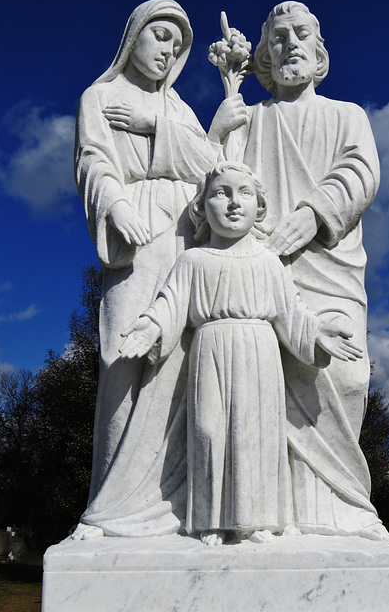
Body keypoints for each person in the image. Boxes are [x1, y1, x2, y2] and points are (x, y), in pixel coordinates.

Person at [119, 161, 363, 546]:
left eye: (244, 193)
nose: (233, 203)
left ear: (259, 206)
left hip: (260, 354)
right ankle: (209, 520)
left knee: (257, 435)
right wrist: (150, 327)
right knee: (209, 432)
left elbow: (292, 312)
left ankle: (259, 519)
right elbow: (169, 304)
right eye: (221, 193)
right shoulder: (192, 260)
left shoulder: (268, 262)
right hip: (210, 351)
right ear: (202, 206)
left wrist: (318, 334)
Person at [216, 1, 389, 539]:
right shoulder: (255, 117)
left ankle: (338, 508)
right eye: (279, 36)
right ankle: (274, 515)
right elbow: (221, 177)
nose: (290, 43)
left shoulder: (346, 115)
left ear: (318, 52)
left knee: (346, 373)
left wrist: (315, 214)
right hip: (266, 272)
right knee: (262, 384)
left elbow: (362, 171)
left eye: (301, 34)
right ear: (265, 53)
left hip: (330, 268)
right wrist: (228, 95)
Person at [73, 0, 221, 538]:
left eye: (177, 44)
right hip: (135, 236)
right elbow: (93, 159)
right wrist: (115, 205)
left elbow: (209, 167)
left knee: (181, 365)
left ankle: (178, 503)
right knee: (121, 358)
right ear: (133, 36)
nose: (168, 50)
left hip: (186, 236)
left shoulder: (178, 108)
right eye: (160, 36)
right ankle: (108, 505)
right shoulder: (100, 96)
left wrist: (153, 123)